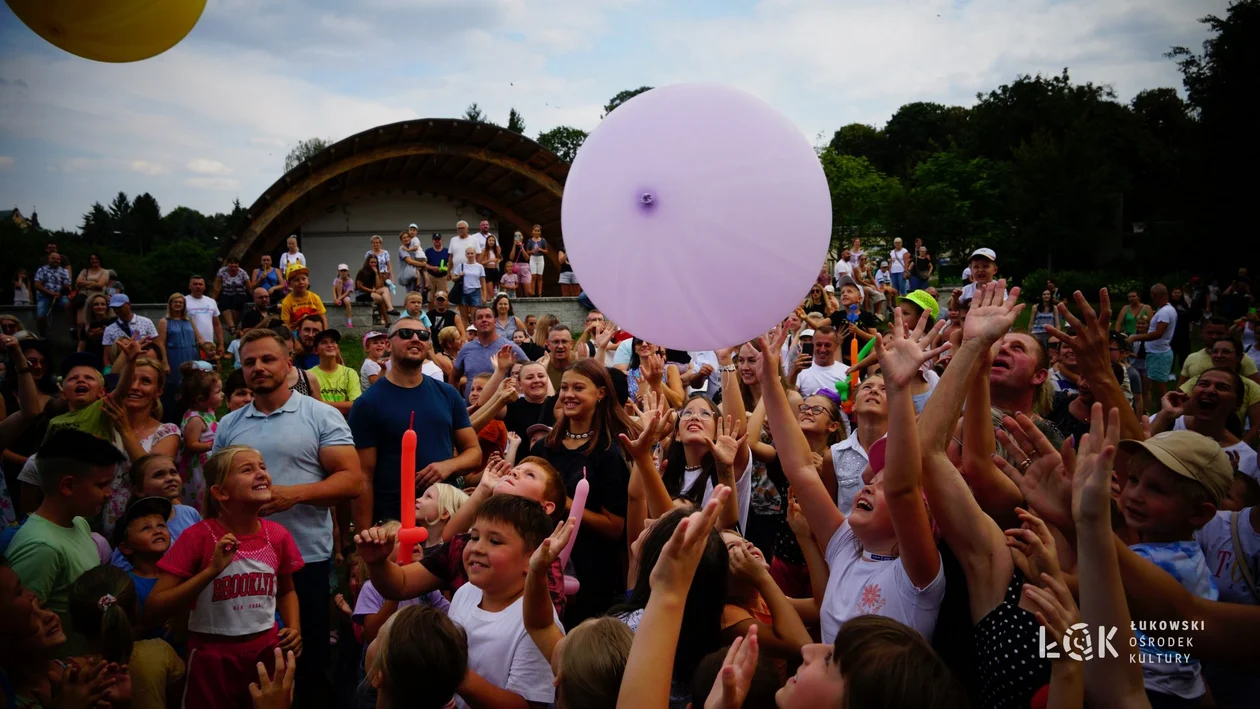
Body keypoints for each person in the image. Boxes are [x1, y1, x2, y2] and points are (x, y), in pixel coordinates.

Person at [758, 322, 945, 645]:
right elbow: (800, 469)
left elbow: (904, 491)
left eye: (882, 485)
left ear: (924, 518)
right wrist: (769, 381)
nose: (867, 484)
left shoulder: (917, 573)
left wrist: (899, 389)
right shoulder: (845, 548)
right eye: (870, 481)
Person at [212, 328, 361, 706]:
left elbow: (352, 479)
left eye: (267, 359)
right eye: (249, 363)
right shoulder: (229, 425)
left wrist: (292, 495)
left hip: (305, 556)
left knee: (307, 657)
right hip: (242, 560)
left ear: (289, 364)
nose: (258, 368)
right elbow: (215, 493)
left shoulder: (319, 414)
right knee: (251, 657)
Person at [145, 446, 304, 709]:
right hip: (211, 659)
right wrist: (211, 571)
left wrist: (295, 628)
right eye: (247, 469)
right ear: (221, 493)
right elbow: (153, 608)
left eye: (262, 467)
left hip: (267, 653)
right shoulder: (197, 537)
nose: (261, 473)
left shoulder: (277, 535)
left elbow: (286, 590)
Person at [1119, 431, 1231, 706]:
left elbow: (1081, 586)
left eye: (1155, 489)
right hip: (1182, 687)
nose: (1134, 494)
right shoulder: (1186, 553)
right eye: (1133, 480)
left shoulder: (1151, 562)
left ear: (1198, 513)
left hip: (1152, 689)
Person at [527, 359, 635, 625]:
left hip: (590, 573)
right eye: (564, 388)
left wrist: (564, 503)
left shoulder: (608, 454)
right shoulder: (543, 448)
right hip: (536, 561)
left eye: (578, 388)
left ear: (600, 394)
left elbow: (615, 527)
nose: (569, 395)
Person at [349, 317, 479, 526]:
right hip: (394, 520)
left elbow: (474, 452)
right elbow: (364, 477)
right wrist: (364, 535)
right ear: (389, 345)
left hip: (444, 519)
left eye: (423, 335)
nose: (416, 339)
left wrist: (448, 466)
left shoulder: (447, 393)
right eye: (406, 334)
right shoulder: (368, 403)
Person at [7, 429, 126, 635]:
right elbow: (21, 627)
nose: (109, 493)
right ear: (68, 485)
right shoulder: (41, 548)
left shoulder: (79, 522)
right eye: (102, 485)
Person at [70, 564, 186, 708]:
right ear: (135, 609)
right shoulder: (159, 652)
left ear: (75, 621)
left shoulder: (67, 676)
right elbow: (178, 701)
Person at [1154, 369, 1260, 480]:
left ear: (1238, 404)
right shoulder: (1166, 422)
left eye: (1222, 387)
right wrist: (1163, 417)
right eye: (1203, 384)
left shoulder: (1247, 460)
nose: (1210, 390)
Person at [1180, 336, 1260, 443]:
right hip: (1194, 439)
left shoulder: (1251, 387)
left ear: (1239, 357)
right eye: (1215, 351)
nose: (1218, 356)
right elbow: (1180, 413)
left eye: (1225, 352)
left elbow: (1256, 424)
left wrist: (1239, 448)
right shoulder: (1194, 382)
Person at [453, 305, 528, 397]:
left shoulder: (509, 347)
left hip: (501, 407)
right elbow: (454, 378)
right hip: (472, 408)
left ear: (495, 321)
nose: (484, 320)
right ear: (474, 323)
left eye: (488, 316)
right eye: (480, 317)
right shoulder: (466, 348)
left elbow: (528, 371)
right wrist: (456, 402)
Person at [178, 363, 222, 511]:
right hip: (198, 468)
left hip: (208, 462)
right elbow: (192, 444)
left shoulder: (208, 411)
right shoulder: (195, 419)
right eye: (217, 392)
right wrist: (213, 444)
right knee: (201, 496)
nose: (222, 394)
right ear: (201, 399)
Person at [1129, 283, 1178, 404]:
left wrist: (1135, 337)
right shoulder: (1167, 309)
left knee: (1160, 390)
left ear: (1154, 295)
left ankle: (1165, 414)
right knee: (1157, 388)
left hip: (1159, 354)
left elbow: (1158, 334)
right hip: (1157, 353)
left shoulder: (1165, 312)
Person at [1181, 316, 1260, 386]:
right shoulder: (1192, 358)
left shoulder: (1242, 359)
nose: (1214, 336)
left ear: (1228, 334)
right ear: (1202, 333)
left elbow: (1257, 389)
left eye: (1219, 333)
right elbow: (1179, 391)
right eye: (1210, 333)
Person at [309, 328, 361, 417]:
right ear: (316, 350)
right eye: (324, 342)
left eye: (333, 342)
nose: (329, 345)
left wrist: (320, 403)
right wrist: (344, 406)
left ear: (337, 348)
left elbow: (356, 406)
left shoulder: (350, 373)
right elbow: (309, 409)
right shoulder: (309, 375)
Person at [792, 324, 849, 396]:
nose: (822, 349)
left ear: (836, 346)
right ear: (813, 344)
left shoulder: (847, 371)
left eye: (827, 345)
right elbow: (789, 395)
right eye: (819, 344)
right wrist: (793, 372)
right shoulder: (801, 370)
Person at [279, 262, 327, 331]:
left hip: (315, 331)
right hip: (296, 333)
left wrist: (325, 333)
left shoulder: (315, 297)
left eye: (303, 279)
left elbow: (323, 318)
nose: (301, 282)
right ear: (289, 284)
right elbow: (286, 326)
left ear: (308, 280)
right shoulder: (286, 302)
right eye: (296, 280)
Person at [33, 251, 71, 337]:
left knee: (69, 305)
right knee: (40, 316)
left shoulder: (64, 271)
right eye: (53, 258)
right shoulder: (42, 269)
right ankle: (43, 334)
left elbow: (66, 286)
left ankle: (71, 329)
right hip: (44, 296)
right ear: (49, 259)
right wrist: (51, 293)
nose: (55, 260)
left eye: (57, 259)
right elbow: (37, 285)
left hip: (59, 296)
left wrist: (60, 294)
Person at [356, 254, 398, 327]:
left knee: (385, 289)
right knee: (381, 299)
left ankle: (390, 309)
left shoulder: (375, 272)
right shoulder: (362, 272)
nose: (373, 264)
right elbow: (359, 286)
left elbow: (378, 286)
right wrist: (371, 290)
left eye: (375, 263)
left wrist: (376, 274)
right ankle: (387, 320)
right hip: (362, 294)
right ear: (367, 263)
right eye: (371, 262)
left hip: (371, 292)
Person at [72, 254, 110, 330]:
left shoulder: (105, 272)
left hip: (97, 298)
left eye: (96, 259)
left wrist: (85, 283)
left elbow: (100, 285)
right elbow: (78, 281)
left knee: (96, 321)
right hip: (83, 297)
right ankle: (80, 340)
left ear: (100, 260)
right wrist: (94, 283)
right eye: (92, 259)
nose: (94, 260)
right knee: (80, 322)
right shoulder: (84, 271)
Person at [214, 256, 250, 334]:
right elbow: (217, 285)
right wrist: (214, 299)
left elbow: (249, 286)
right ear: (227, 264)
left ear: (238, 264)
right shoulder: (222, 271)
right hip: (227, 293)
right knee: (224, 302)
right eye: (231, 263)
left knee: (237, 302)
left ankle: (234, 325)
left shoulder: (242, 273)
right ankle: (232, 327)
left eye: (235, 263)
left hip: (240, 293)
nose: (233, 265)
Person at [453, 245, 486, 322]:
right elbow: (453, 278)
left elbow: (483, 282)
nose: (470, 255)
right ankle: (465, 333)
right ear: (466, 255)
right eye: (468, 253)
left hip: (475, 291)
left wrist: (484, 296)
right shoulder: (461, 266)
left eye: (472, 253)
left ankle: (474, 332)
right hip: (463, 291)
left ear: (475, 254)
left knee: (475, 316)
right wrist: (459, 276)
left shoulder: (480, 266)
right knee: (464, 317)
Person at [77, 292, 111, 360]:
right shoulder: (87, 325)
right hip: (90, 360)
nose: (100, 307)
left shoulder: (112, 322)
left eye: (103, 304)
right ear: (91, 307)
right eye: (96, 304)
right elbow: (81, 346)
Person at [423, 232, 451, 307]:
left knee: (444, 296)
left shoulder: (447, 251)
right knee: (431, 297)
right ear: (433, 241)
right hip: (431, 276)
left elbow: (450, 264)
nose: (437, 241)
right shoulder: (428, 251)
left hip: (442, 277)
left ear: (442, 240)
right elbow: (424, 264)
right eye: (435, 240)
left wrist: (447, 271)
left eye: (439, 239)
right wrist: (432, 268)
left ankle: (445, 314)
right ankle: (431, 316)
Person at [397, 229, 427, 296]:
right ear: (401, 240)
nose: (406, 239)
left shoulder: (412, 248)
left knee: (419, 294)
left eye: (408, 237)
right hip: (410, 275)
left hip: (417, 274)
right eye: (404, 238)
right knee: (411, 295)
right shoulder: (402, 248)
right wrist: (422, 264)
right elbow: (409, 261)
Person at [508, 230, 532, 297]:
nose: (518, 237)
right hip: (516, 268)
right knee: (517, 291)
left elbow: (527, 258)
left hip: (525, 267)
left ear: (522, 237)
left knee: (528, 291)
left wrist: (522, 247)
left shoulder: (527, 244)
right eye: (516, 236)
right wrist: (514, 246)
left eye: (519, 235)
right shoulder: (512, 245)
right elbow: (511, 258)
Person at [478, 234, 502, 302]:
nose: (491, 242)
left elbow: (501, 258)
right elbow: (480, 262)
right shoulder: (484, 251)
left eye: (493, 241)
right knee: (490, 291)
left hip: (495, 270)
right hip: (487, 271)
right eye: (490, 240)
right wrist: (490, 260)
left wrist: (497, 261)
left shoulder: (496, 250)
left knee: (496, 291)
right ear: (487, 241)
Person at [332, 263, 356, 328]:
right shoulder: (336, 280)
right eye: (341, 271)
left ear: (347, 272)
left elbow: (347, 292)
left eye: (345, 271)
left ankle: (349, 322)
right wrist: (335, 298)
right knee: (339, 281)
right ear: (339, 272)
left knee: (347, 302)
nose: (343, 272)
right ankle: (339, 300)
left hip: (345, 296)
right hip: (338, 296)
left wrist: (339, 299)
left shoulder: (350, 281)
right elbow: (333, 289)